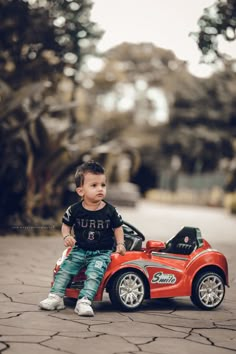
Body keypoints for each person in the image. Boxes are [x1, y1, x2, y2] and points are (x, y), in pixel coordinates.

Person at [39, 160, 126, 316]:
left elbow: (118, 228)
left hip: (102, 252)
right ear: (80, 191)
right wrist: (66, 235)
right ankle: (56, 297)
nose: (100, 189)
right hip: (79, 249)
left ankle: (84, 301)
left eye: (103, 185)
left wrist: (120, 244)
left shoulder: (110, 211)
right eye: (94, 185)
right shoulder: (74, 210)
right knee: (65, 270)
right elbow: (66, 225)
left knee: (94, 274)